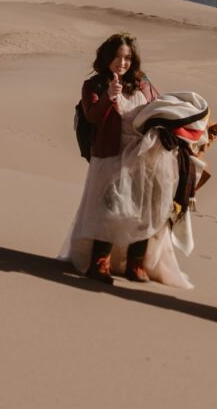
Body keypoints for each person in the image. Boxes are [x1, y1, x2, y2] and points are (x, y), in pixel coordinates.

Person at [62, 33, 159, 285]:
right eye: (116, 56)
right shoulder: (92, 85)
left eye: (127, 57)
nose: (122, 62)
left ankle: (135, 263)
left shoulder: (143, 82)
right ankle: (100, 261)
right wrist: (109, 96)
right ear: (106, 57)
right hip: (110, 155)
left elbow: (158, 107)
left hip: (142, 156)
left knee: (144, 208)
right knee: (109, 207)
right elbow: (92, 116)